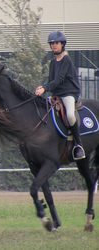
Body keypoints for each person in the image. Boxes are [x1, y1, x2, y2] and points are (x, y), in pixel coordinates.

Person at [35, 31, 85, 161]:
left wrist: (45, 88)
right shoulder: (53, 62)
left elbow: (59, 80)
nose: (53, 45)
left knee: (69, 115)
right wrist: (43, 87)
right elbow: (51, 79)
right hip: (57, 94)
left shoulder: (66, 60)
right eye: (51, 43)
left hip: (69, 93)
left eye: (56, 43)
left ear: (62, 44)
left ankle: (78, 145)